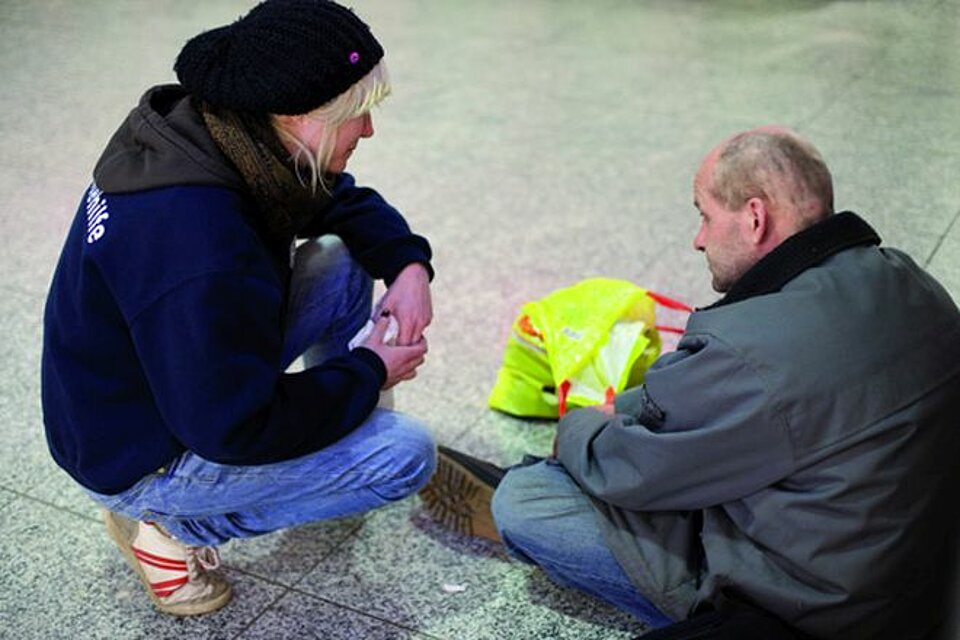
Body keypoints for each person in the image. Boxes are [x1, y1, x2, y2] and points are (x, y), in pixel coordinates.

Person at [421, 127, 960, 639]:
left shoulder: (749, 346)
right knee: (665, 435)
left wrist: (580, 428)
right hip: (909, 575)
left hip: (813, 607)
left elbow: (630, 465)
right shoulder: (910, 279)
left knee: (527, 499)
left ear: (754, 217)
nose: (698, 239)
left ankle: (529, 490)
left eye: (704, 215)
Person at [41, 0, 436, 616]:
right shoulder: (198, 242)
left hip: (140, 389)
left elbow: (334, 200)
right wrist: (370, 372)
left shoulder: (211, 133)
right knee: (403, 455)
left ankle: (336, 428)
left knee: (343, 256)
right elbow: (230, 427)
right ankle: (168, 529)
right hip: (139, 455)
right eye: (358, 114)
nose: (368, 130)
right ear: (296, 115)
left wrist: (408, 265)